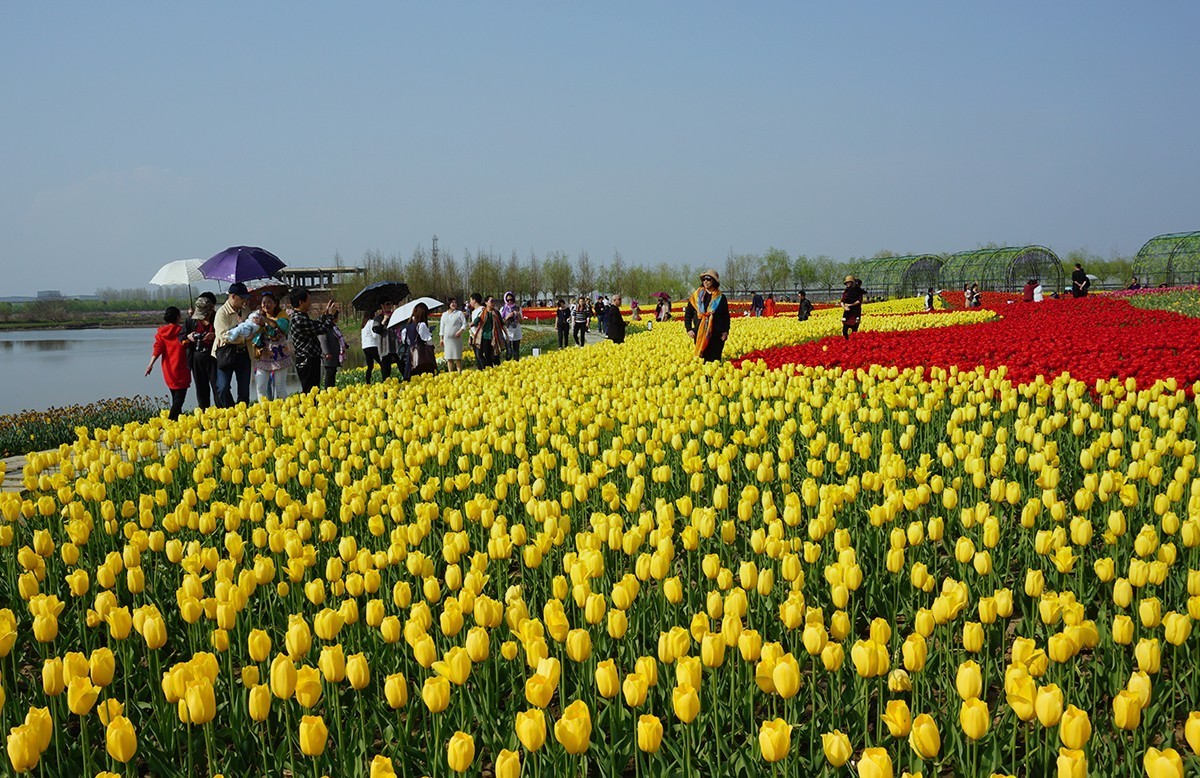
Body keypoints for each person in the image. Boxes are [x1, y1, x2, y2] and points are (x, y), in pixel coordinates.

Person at [289, 288, 338, 394]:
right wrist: (330, 315)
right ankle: (307, 410)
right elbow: (322, 329)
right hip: (307, 360)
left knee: (313, 390)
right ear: (301, 302)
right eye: (308, 300)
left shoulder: (301, 317)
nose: (310, 303)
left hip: (311, 359)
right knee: (310, 392)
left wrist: (325, 313)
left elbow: (316, 324)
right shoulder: (299, 319)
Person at [146, 306, 191, 420]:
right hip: (182, 368)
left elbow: (157, 349)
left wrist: (150, 364)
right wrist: (191, 315)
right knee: (179, 400)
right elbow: (189, 339)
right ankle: (171, 421)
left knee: (175, 397)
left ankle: (178, 424)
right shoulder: (182, 332)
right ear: (178, 317)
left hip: (168, 370)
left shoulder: (162, 333)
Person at [213, 282, 254, 407]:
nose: (244, 300)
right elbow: (223, 336)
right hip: (225, 353)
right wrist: (243, 338)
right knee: (223, 387)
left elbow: (251, 327)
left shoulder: (246, 310)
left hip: (243, 353)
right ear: (232, 296)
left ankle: (242, 417)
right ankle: (230, 413)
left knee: (244, 390)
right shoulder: (222, 313)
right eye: (242, 298)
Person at [180, 292, 218, 410]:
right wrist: (189, 337)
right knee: (201, 388)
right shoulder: (191, 321)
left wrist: (215, 336)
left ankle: (222, 413)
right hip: (197, 357)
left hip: (214, 357)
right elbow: (181, 337)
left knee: (218, 387)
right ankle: (203, 414)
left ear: (211, 309)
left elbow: (226, 334)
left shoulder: (218, 318)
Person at [252, 291, 291, 402]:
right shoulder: (257, 317)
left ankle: (286, 413)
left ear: (275, 304)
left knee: (280, 388)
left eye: (269, 302)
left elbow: (279, 331)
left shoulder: (283, 317)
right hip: (263, 356)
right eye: (264, 303)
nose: (266, 305)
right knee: (260, 388)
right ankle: (263, 413)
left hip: (279, 356)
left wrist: (265, 323)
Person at [684, 269, 731, 362]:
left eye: (708, 279)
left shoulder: (720, 298)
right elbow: (688, 314)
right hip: (700, 334)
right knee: (701, 360)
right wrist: (688, 329)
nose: (705, 281)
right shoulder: (696, 297)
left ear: (714, 281)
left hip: (716, 336)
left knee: (714, 361)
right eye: (704, 279)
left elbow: (726, 316)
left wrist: (726, 331)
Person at [401, 302, 436, 378]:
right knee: (424, 376)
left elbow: (406, 341)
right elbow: (428, 341)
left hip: (411, 355)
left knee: (413, 378)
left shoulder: (407, 326)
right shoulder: (421, 325)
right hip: (421, 355)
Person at [472, 296, 506, 368]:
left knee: (495, 356)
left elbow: (502, 324)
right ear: (486, 302)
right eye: (491, 301)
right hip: (485, 337)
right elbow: (476, 321)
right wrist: (472, 324)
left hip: (495, 337)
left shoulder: (496, 313)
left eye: (494, 301)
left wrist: (507, 336)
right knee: (487, 356)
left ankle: (498, 370)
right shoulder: (482, 313)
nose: (493, 303)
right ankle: (489, 371)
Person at [319, 309, 347, 389]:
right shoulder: (326, 326)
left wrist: (344, 345)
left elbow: (338, 338)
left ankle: (331, 390)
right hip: (328, 355)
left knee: (333, 372)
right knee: (329, 373)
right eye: (337, 316)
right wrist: (327, 352)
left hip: (334, 354)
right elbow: (323, 339)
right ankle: (327, 391)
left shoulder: (334, 327)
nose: (338, 318)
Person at [439, 297, 467, 372]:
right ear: (449, 304)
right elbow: (442, 327)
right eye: (452, 303)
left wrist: (460, 331)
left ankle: (459, 373)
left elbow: (464, 324)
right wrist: (441, 338)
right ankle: (450, 373)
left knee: (457, 357)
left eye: (455, 302)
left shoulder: (459, 313)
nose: (454, 304)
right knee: (449, 357)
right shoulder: (444, 315)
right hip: (447, 339)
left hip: (456, 339)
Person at [374, 302, 400, 380]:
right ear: (382, 306)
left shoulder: (395, 316)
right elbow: (376, 330)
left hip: (396, 346)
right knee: (386, 373)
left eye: (391, 304)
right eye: (387, 304)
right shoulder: (378, 318)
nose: (390, 306)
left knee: (402, 366)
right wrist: (384, 319)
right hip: (385, 348)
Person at [840, 275, 865, 340]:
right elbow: (842, 301)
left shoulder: (859, 291)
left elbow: (859, 301)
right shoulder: (846, 291)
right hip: (847, 313)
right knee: (844, 331)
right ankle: (847, 342)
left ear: (852, 283)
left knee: (854, 331)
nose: (847, 284)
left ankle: (853, 344)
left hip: (855, 312)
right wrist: (844, 307)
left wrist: (850, 305)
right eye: (846, 283)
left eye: (849, 282)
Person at [361, 311, 382, 384]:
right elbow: (374, 335)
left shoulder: (363, 324)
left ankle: (367, 382)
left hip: (365, 347)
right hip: (372, 345)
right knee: (382, 363)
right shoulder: (371, 322)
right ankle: (385, 379)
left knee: (370, 366)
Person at [500, 291, 523, 361]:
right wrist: (508, 317)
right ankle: (508, 366)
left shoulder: (518, 308)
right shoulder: (503, 309)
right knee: (509, 351)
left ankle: (516, 365)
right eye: (508, 300)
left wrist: (518, 315)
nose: (510, 301)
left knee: (516, 351)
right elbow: (501, 322)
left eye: (511, 299)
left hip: (516, 331)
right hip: (507, 333)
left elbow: (521, 321)